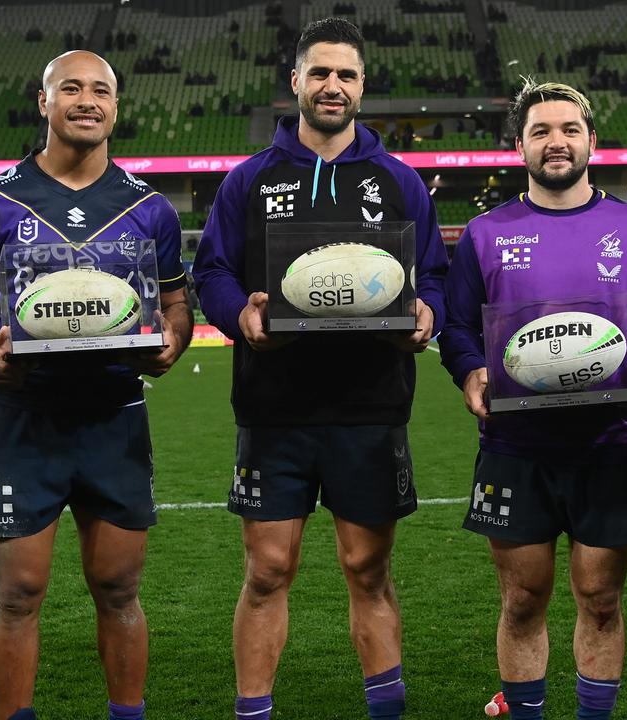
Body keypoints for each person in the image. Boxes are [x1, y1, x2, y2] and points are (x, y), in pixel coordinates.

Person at [191, 18, 447, 720]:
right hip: (275, 409)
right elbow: (210, 270)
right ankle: (253, 711)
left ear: (362, 88)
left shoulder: (399, 182)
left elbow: (439, 277)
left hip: (371, 407)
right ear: (297, 82)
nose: (334, 86)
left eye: (348, 75)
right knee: (268, 571)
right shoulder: (250, 181)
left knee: (369, 570)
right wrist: (237, 315)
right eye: (321, 73)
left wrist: (430, 316)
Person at [0, 50, 192, 720]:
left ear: (115, 106)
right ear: (43, 101)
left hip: (114, 413)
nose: (86, 100)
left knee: (118, 586)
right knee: (18, 594)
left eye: (100, 90)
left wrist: (173, 341)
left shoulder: (149, 208)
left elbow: (176, 305)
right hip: (24, 417)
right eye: (70, 88)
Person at [438, 79, 627, 720]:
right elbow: (458, 327)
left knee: (600, 598)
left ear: (591, 141)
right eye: (541, 131)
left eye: (570, 129)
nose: (557, 142)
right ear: (519, 145)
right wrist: (469, 373)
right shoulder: (487, 234)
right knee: (523, 599)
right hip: (515, 447)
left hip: (610, 443)